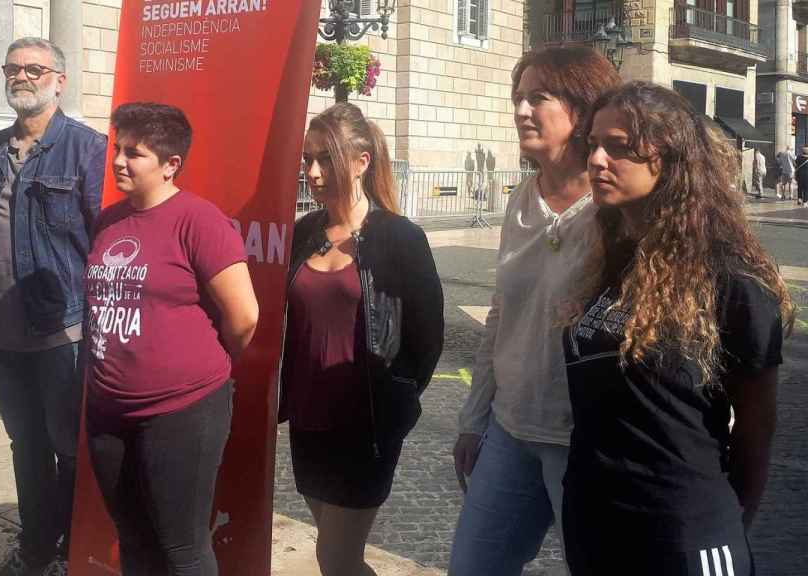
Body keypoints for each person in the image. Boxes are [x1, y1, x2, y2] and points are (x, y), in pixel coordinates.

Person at [565, 80, 792, 575]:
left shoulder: (733, 280)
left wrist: (727, 522)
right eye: (593, 145)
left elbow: (756, 428)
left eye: (619, 147)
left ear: (668, 158)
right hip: (595, 519)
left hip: (682, 528)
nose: (598, 159)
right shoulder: (614, 259)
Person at [448, 46, 620, 576]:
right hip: (512, 429)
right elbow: (502, 315)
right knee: (474, 566)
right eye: (518, 98)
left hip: (587, 441)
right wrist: (473, 418)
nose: (522, 110)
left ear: (582, 109)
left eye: (539, 98)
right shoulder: (521, 199)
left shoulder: (616, 206)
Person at [85, 102, 258, 576]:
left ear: (170, 164)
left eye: (134, 153)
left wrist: (200, 363)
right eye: (117, 149)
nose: (118, 161)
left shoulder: (198, 220)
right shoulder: (109, 220)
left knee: (182, 546)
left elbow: (243, 315)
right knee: (133, 536)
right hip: (108, 410)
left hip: (182, 411)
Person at [281, 102, 444, 576]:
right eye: (307, 159)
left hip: (365, 426)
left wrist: (397, 400)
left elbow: (426, 339)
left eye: (325, 159)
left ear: (361, 161)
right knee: (339, 559)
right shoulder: (304, 232)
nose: (311, 172)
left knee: (334, 557)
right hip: (308, 420)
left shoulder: (400, 238)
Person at [0, 37, 106, 576]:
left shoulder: (88, 148)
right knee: (24, 445)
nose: (22, 76)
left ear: (59, 81)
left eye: (35, 68)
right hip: (3, 333)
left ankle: (72, 548)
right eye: (13, 68)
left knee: (68, 446)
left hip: (62, 331)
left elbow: (106, 245)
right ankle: (35, 546)